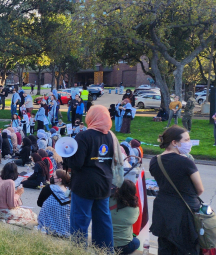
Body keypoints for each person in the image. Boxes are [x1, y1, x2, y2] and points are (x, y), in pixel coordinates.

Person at [64, 105, 115, 250]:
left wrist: (66, 157)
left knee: (80, 220)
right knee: (103, 221)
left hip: (84, 185)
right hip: (104, 183)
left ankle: (79, 251)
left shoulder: (83, 136)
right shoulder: (110, 136)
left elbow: (77, 164)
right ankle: (105, 251)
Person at [149, 125, 204, 254]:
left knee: (165, 248)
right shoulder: (185, 162)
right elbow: (200, 189)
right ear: (174, 142)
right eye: (186, 140)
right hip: (185, 213)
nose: (189, 143)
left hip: (163, 211)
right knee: (187, 249)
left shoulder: (154, 161)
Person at [37, 169, 71, 238]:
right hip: (66, 228)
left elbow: (39, 203)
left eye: (53, 176)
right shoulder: (70, 191)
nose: (51, 177)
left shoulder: (48, 188)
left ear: (60, 179)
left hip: (47, 225)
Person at [110, 180, 140, 255]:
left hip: (106, 242)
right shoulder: (134, 208)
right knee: (136, 241)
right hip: (124, 246)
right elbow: (135, 221)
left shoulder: (109, 200)